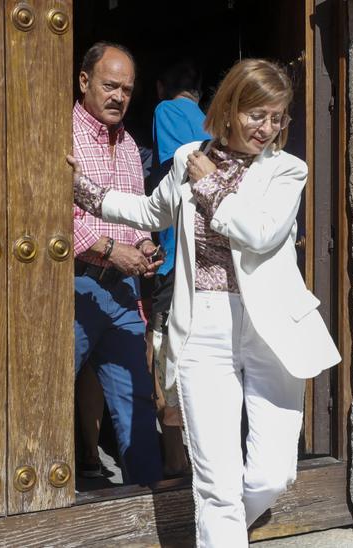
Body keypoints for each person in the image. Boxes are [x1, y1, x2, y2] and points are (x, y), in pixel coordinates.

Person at [70, 59, 340, 547]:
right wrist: (84, 192)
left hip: (270, 331)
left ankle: (227, 526)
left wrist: (211, 183)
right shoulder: (188, 157)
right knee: (216, 486)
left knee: (272, 475)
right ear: (231, 108)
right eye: (258, 114)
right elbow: (150, 210)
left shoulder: (287, 170)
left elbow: (260, 233)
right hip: (204, 329)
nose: (269, 128)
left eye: (278, 117)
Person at [70, 41, 164, 486]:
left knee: (136, 403)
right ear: (84, 81)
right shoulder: (60, 134)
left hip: (123, 294)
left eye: (127, 89)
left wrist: (143, 246)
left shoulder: (129, 144)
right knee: (44, 396)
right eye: (110, 86)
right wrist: (110, 250)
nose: (119, 97)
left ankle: (147, 512)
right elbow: (51, 216)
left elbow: (137, 213)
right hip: (74, 287)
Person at [148, 59, 210, 477]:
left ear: (159, 87)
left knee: (164, 352)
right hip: (206, 258)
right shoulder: (211, 119)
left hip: (174, 256)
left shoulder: (165, 111)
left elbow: (177, 167)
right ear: (201, 92)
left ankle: (174, 462)